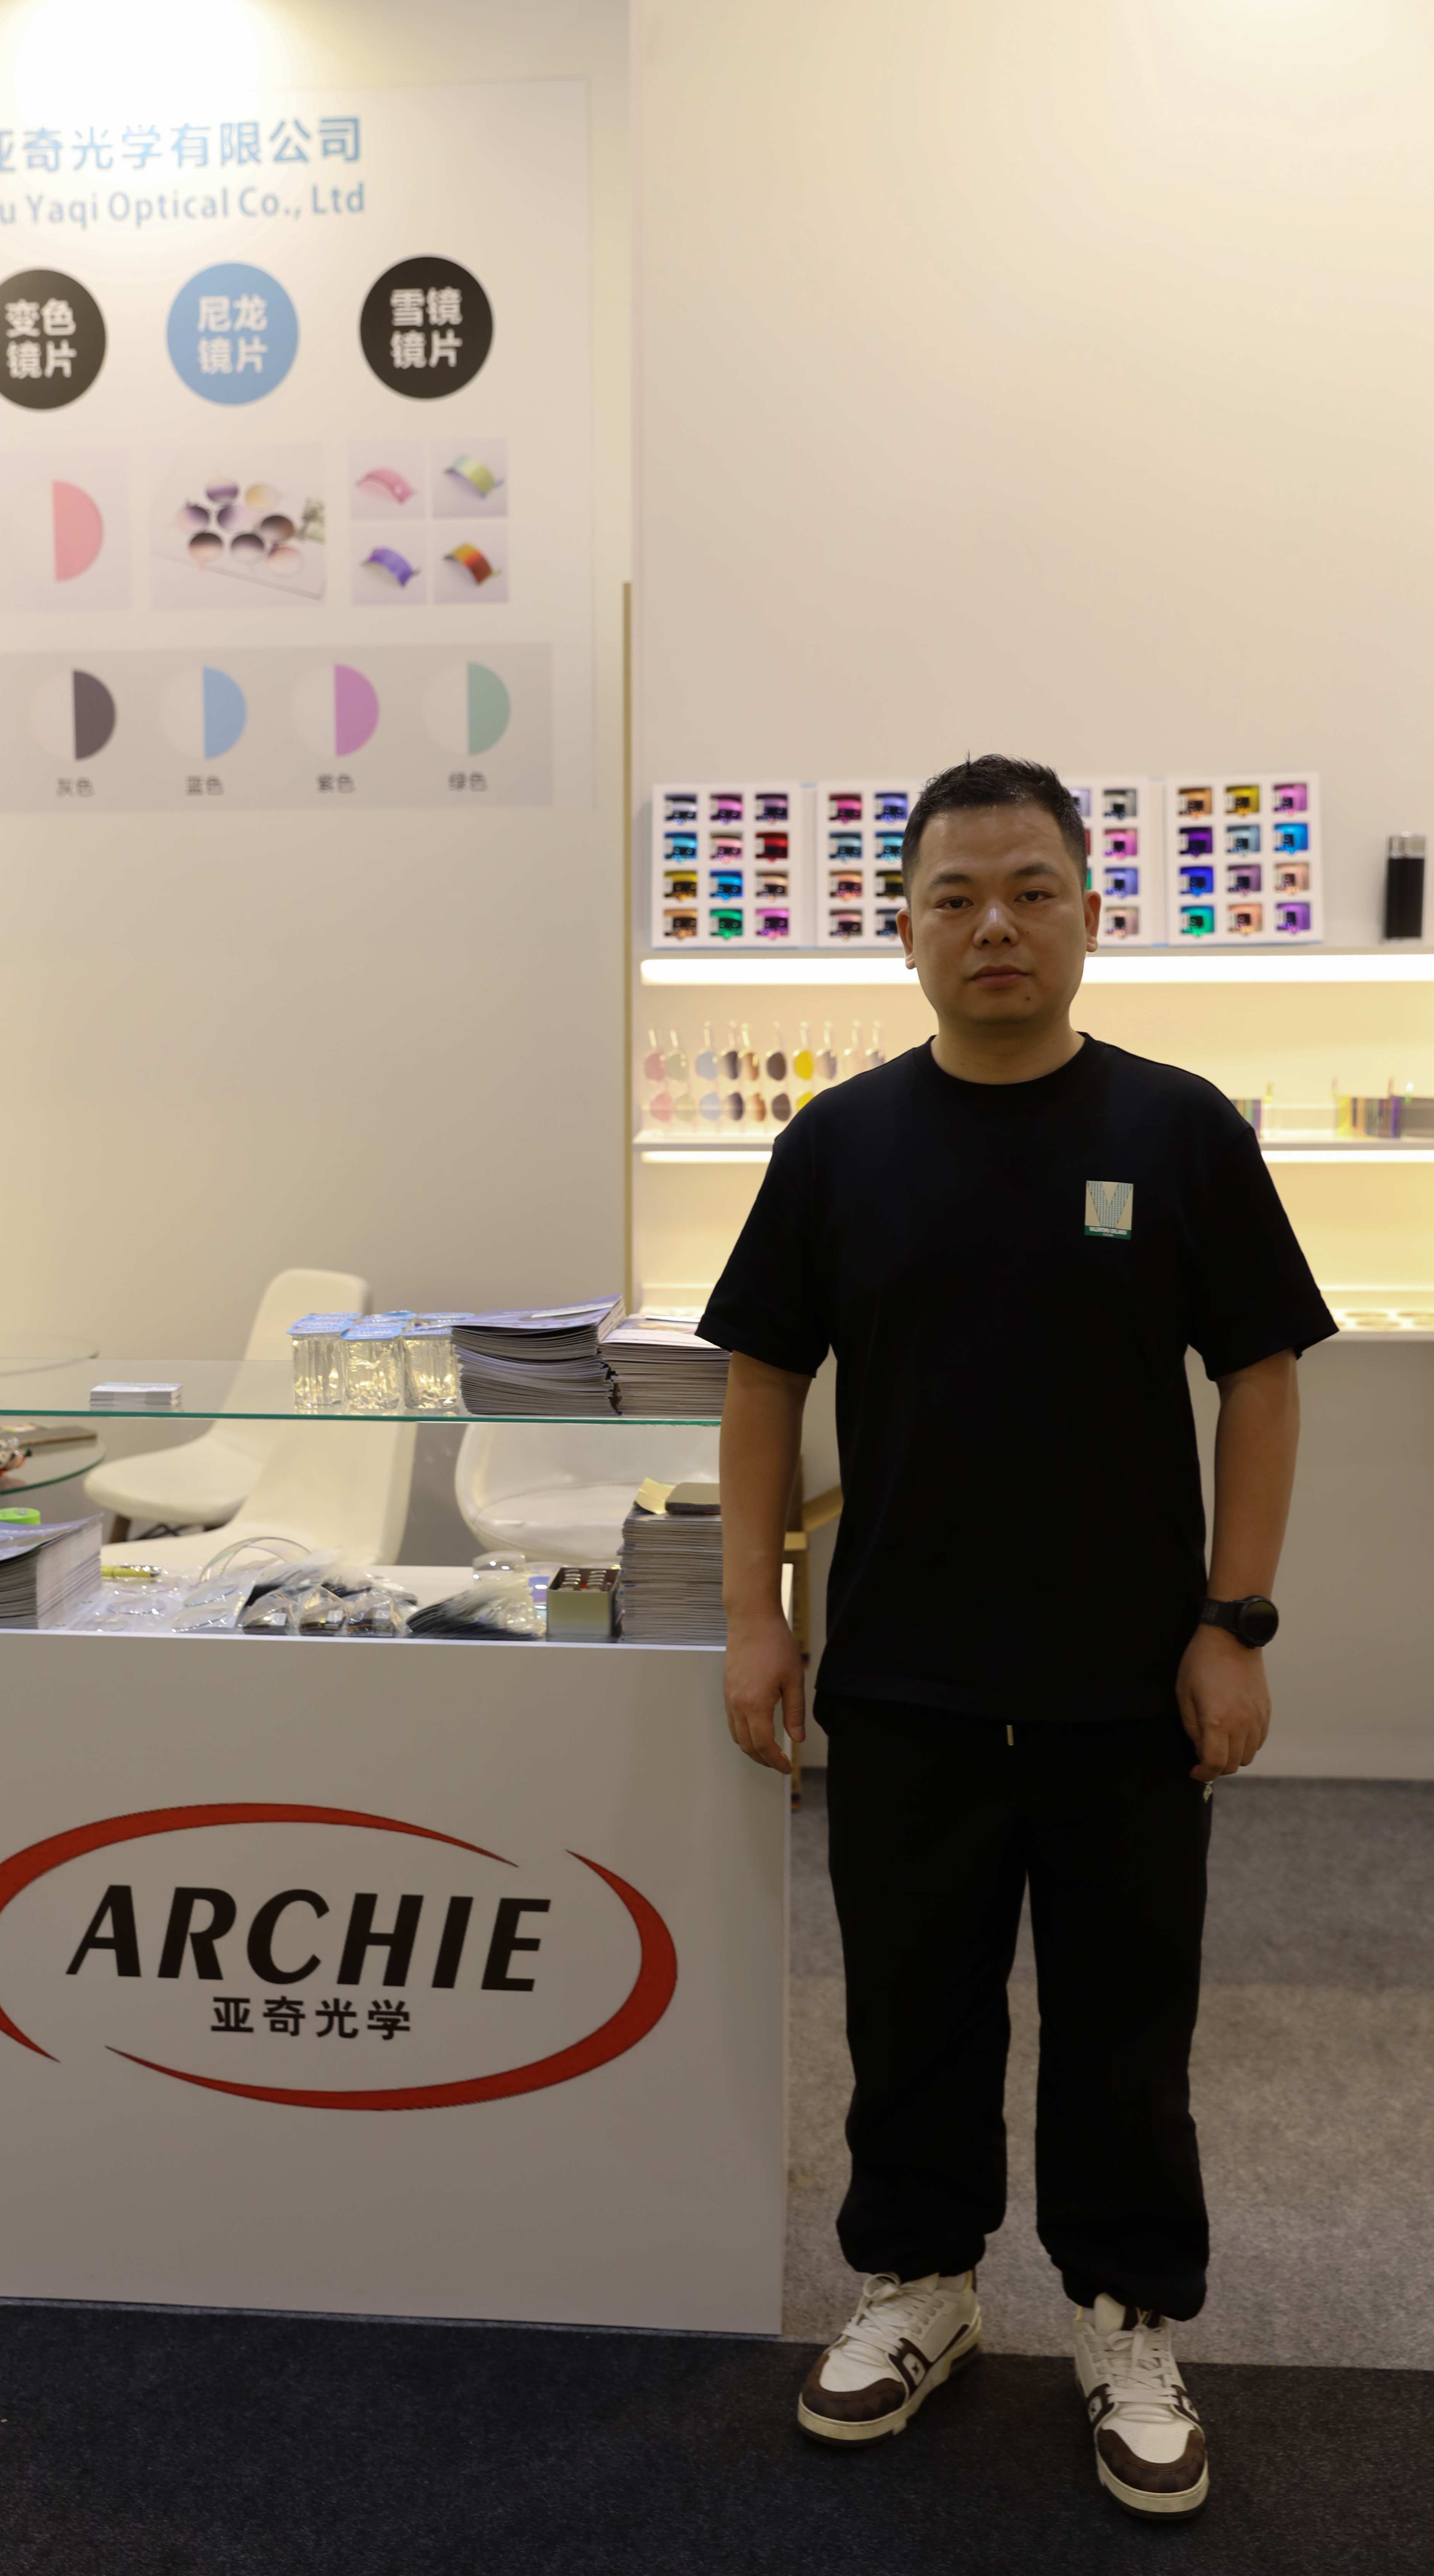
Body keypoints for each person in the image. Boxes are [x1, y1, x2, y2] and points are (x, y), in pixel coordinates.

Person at [699, 754, 1335, 2522]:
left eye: (1031, 890)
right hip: (902, 1676)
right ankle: (919, 2282)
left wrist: (1233, 1621)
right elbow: (761, 1384)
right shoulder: (837, 1145)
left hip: (1126, 1686)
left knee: (1127, 2023)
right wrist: (754, 1615)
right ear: (902, 931)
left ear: (1087, 917)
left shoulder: (1179, 1131)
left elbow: (1261, 1378)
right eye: (956, 897)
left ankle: (1127, 2317)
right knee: (910, 2011)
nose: (995, 924)